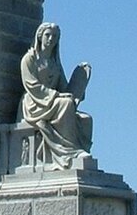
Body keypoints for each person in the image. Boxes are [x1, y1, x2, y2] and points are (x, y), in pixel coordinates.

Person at [19, 22, 93, 169]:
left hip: (52, 102)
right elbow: (31, 85)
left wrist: (79, 85)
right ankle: (70, 152)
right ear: (40, 37)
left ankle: (80, 151)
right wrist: (57, 96)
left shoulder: (55, 63)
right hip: (34, 102)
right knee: (65, 104)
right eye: (48, 35)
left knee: (86, 119)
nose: (51, 39)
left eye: (55, 36)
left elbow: (64, 87)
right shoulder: (30, 59)